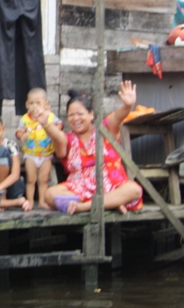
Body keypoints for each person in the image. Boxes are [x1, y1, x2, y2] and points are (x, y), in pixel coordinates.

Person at [40, 81, 143, 215]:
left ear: (91, 115)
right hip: (79, 189)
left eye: (80, 114)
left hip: (113, 186)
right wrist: (45, 124)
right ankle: (110, 204)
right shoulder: (68, 139)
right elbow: (58, 137)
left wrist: (128, 106)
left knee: (134, 190)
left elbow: (117, 117)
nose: (75, 118)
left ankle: (85, 207)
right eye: (71, 115)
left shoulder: (104, 129)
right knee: (50, 194)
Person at [15, 87, 62, 208]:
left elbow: (60, 124)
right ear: (26, 104)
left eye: (38, 103)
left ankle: (42, 201)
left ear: (46, 105)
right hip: (31, 155)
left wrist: (55, 130)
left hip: (46, 155)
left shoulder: (50, 116)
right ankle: (30, 201)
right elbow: (18, 132)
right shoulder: (25, 119)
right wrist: (22, 135)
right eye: (31, 103)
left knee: (44, 179)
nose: (34, 106)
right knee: (31, 179)